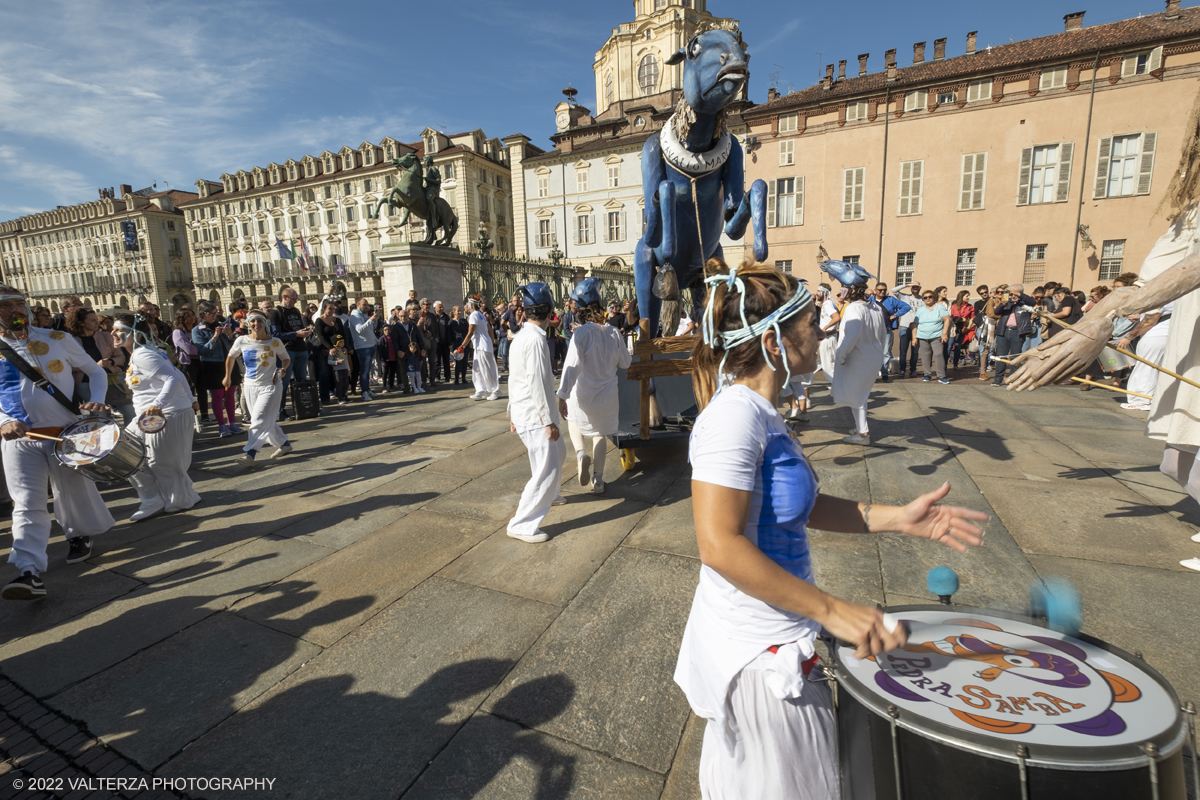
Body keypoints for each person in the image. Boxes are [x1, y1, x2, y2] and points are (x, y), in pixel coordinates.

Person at [677, 260, 986, 799]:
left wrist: (900, 520)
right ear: (774, 341)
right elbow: (718, 544)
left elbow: (799, 506)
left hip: (779, 640)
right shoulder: (733, 418)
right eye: (810, 322)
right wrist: (832, 610)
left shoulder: (764, 412)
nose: (822, 329)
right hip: (759, 656)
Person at [0, 285, 113, 600]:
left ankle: (79, 534)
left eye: (17, 304)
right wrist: (2, 421)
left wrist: (98, 399)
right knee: (25, 504)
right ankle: (28, 571)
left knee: (73, 490)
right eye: (4, 307)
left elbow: (95, 371)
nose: (14, 312)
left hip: (64, 432)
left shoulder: (57, 339)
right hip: (18, 439)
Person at [112, 314, 200, 520]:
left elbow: (173, 377)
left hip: (167, 413)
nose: (112, 333)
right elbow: (178, 375)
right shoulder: (140, 354)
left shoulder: (144, 355)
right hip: (148, 415)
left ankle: (179, 499)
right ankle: (154, 498)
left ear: (135, 333)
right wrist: (190, 398)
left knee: (161, 462)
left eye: (118, 329)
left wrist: (158, 404)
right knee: (125, 454)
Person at [556, 278, 631, 495]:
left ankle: (581, 454)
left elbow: (571, 367)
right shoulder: (614, 333)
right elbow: (625, 363)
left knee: (572, 419)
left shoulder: (580, 334)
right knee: (601, 433)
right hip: (607, 393)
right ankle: (598, 480)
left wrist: (563, 395)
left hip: (583, 391)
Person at [506, 283, 566, 543]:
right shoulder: (535, 341)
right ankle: (522, 524)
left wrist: (511, 412)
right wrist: (548, 421)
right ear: (549, 312)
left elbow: (514, 378)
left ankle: (551, 493)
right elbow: (538, 383)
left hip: (526, 413)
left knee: (557, 454)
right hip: (534, 415)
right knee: (546, 470)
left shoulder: (522, 336)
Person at [224, 311, 292, 465]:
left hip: (271, 385)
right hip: (250, 385)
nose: (257, 324)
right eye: (253, 321)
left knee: (258, 418)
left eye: (260, 321)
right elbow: (231, 356)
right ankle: (285, 444)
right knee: (265, 419)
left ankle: (250, 454)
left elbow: (286, 358)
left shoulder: (274, 342)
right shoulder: (241, 340)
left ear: (265, 323)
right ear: (248, 323)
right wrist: (227, 376)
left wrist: (283, 369)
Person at [833, 282, 885, 444]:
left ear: (853, 291)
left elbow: (852, 333)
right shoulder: (875, 308)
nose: (842, 291)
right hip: (872, 356)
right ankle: (859, 427)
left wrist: (841, 355)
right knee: (860, 394)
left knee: (857, 396)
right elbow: (883, 333)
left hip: (858, 357)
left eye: (844, 288)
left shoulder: (854, 308)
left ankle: (863, 434)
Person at [65, 305, 134, 427]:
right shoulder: (70, 340)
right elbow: (67, 365)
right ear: (80, 323)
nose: (97, 322)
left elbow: (121, 357)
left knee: (129, 411)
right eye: (92, 320)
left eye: (96, 319)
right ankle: (102, 441)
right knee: (100, 414)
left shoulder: (105, 336)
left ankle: (131, 438)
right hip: (85, 382)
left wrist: (110, 362)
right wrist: (94, 366)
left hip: (112, 379)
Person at [191, 300, 243, 437]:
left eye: (215, 313)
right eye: (210, 313)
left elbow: (234, 347)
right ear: (203, 314)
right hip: (212, 365)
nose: (214, 316)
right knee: (217, 396)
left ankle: (232, 424)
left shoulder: (222, 325)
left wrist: (230, 336)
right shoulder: (197, 330)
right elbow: (202, 351)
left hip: (228, 362)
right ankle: (221, 426)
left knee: (231, 394)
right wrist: (214, 337)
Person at [270, 287, 314, 415]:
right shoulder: (275, 312)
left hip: (301, 348)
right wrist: (296, 334)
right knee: (283, 382)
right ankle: (280, 409)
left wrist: (305, 331)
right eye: (294, 299)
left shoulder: (295, 310)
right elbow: (275, 334)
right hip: (286, 351)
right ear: (285, 297)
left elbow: (298, 328)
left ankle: (302, 407)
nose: (296, 301)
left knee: (301, 381)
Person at [868, 282, 910, 382]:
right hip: (872, 331)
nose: (883, 292)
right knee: (872, 352)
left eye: (884, 290)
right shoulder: (869, 300)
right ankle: (872, 373)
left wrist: (895, 315)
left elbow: (906, 307)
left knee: (886, 352)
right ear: (875, 290)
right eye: (880, 290)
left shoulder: (890, 299)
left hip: (886, 330)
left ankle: (884, 373)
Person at [461, 298, 500, 401]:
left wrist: (462, 346)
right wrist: (491, 342)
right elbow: (490, 329)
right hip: (481, 346)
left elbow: (470, 333)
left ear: (472, 305)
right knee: (477, 369)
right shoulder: (481, 315)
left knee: (487, 369)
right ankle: (480, 390)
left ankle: (495, 390)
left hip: (482, 346)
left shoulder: (474, 315)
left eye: (467, 304)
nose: (466, 306)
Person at [348, 298, 379, 401]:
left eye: (367, 305)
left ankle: (367, 389)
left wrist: (375, 339)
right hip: (362, 346)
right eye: (364, 305)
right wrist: (371, 320)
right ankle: (364, 392)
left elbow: (369, 329)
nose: (367, 307)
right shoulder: (354, 316)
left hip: (371, 345)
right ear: (358, 305)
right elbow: (359, 329)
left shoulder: (364, 315)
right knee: (364, 371)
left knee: (368, 370)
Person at [893, 280, 920, 377]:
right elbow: (894, 290)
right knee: (903, 350)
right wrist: (907, 284)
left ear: (920, 288)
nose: (915, 289)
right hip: (905, 326)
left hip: (917, 328)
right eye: (913, 287)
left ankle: (913, 370)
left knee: (915, 351)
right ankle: (902, 370)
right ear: (911, 288)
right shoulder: (904, 297)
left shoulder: (923, 299)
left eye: (917, 287)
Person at [816, 284, 840, 379]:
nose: (817, 293)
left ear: (825, 292)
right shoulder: (827, 303)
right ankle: (802, 383)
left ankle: (838, 388)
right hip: (825, 338)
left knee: (829, 366)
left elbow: (837, 317)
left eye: (819, 291)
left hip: (828, 338)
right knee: (816, 362)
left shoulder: (827, 304)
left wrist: (825, 328)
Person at [949, 290, 974, 370]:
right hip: (952, 328)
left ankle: (955, 365)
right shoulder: (954, 306)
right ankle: (944, 365)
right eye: (967, 296)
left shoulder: (970, 307)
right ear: (961, 296)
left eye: (969, 296)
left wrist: (969, 326)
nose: (968, 297)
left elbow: (971, 317)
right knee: (949, 347)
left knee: (958, 347)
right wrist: (961, 319)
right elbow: (950, 317)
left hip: (962, 329)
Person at [448, 306, 470, 385]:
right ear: (454, 312)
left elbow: (468, 332)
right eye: (458, 311)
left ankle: (463, 377)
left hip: (464, 343)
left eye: (460, 311)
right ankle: (457, 378)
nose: (459, 312)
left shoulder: (464, 321)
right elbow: (449, 334)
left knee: (465, 361)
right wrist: (450, 344)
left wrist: (469, 342)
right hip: (456, 344)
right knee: (458, 361)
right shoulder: (451, 322)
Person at [433, 301, 452, 383]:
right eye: (439, 307)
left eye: (442, 307)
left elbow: (449, 331)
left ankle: (448, 376)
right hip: (437, 343)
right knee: (437, 360)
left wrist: (450, 343)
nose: (441, 308)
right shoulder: (433, 317)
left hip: (445, 342)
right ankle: (437, 377)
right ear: (435, 308)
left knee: (446, 360)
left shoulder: (446, 317)